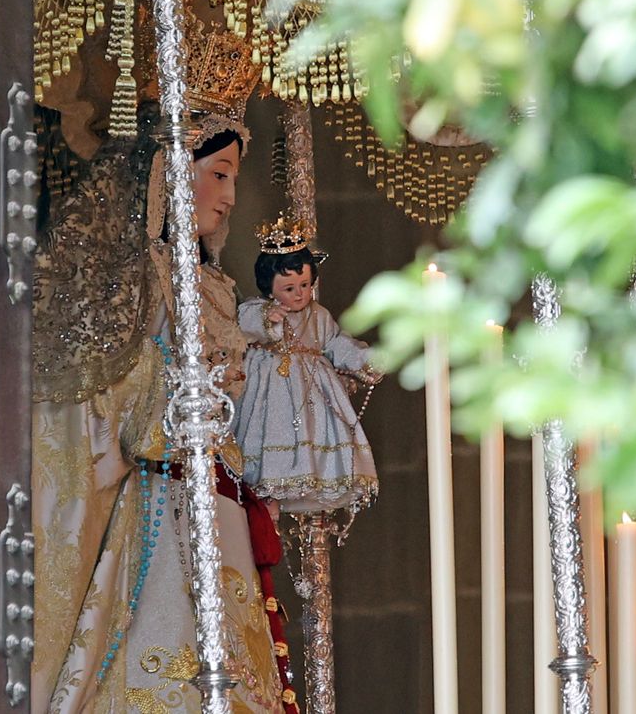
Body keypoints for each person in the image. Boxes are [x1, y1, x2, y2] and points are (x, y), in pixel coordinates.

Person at [30, 93, 297, 712]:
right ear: (169, 172)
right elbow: (112, 397)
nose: (229, 195)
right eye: (219, 174)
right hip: (162, 503)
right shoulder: (136, 277)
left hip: (219, 503)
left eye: (235, 177)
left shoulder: (216, 288)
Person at [234, 216, 380, 516]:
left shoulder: (319, 315)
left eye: (305, 285)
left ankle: (312, 480)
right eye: (289, 288)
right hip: (270, 393)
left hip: (311, 396)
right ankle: (268, 496)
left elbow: (337, 343)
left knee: (315, 440)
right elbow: (243, 324)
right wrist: (267, 320)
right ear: (269, 287)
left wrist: (365, 360)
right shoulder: (257, 309)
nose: (300, 294)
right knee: (272, 435)